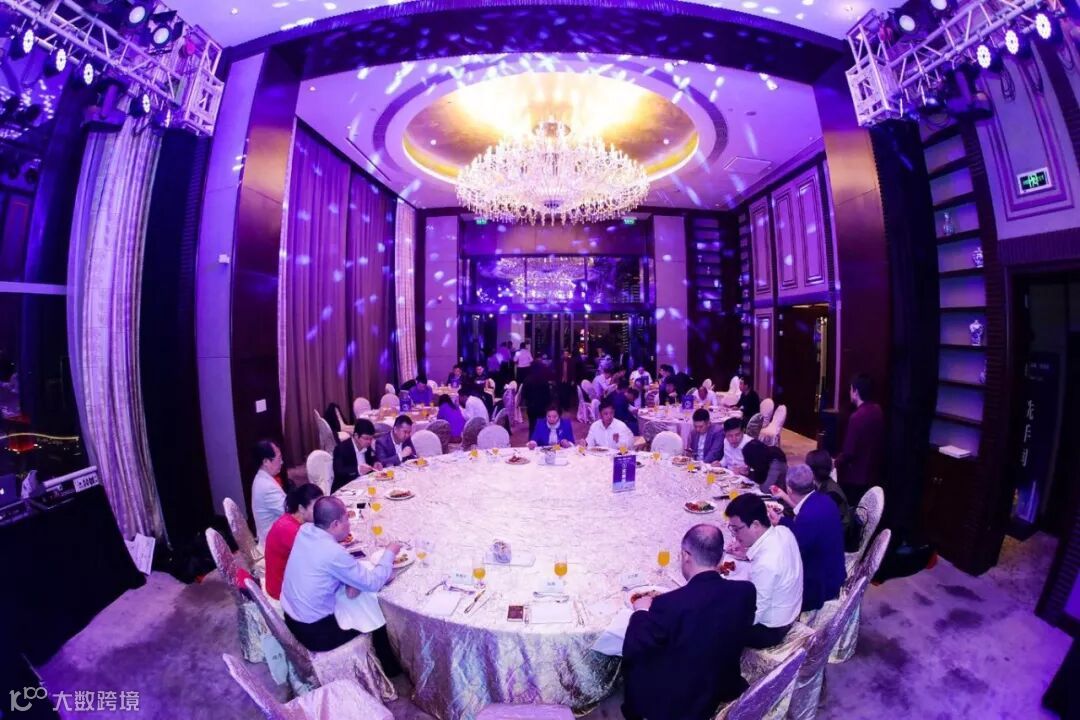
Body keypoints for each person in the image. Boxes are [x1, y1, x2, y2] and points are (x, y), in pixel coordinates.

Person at [622, 525, 756, 720]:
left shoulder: (668, 604)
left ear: (686, 555)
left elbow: (635, 648)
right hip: (722, 681)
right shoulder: (745, 591)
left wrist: (641, 612)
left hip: (683, 701)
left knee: (636, 661)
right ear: (721, 558)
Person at [280, 497, 402, 653]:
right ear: (335, 524)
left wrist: (353, 582)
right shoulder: (332, 552)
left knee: (356, 594)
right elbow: (373, 583)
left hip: (291, 615)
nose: (349, 524)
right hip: (314, 631)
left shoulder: (305, 530)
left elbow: (321, 566)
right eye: (347, 519)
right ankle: (389, 663)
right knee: (372, 612)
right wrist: (390, 552)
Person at [725, 494, 803, 649]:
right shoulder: (783, 531)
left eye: (737, 529)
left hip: (772, 628)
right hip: (792, 608)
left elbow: (754, 615)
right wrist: (746, 553)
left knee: (712, 621)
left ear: (755, 525)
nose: (735, 535)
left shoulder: (766, 563)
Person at [769, 465, 846, 612]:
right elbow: (804, 530)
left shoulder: (808, 518)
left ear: (789, 489)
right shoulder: (824, 499)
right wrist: (780, 521)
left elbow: (793, 552)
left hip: (820, 586)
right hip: (834, 568)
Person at [264, 483, 324, 600]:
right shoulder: (289, 529)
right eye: (316, 508)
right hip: (282, 592)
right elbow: (318, 560)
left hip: (289, 581)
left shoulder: (292, 520)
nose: (321, 511)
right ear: (301, 508)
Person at [834, 373, 884, 506]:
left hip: (854, 477)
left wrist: (835, 462)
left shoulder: (856, 417)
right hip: (873, 473)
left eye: (851, 389)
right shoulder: (878, 410)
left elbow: (849, 452)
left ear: (855, 392)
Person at [805, 448, 854, 543]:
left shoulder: (831, 495)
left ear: (812, 471)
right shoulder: (823, 483)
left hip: (836, 539)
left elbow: (819, 526)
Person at [251, 440, 286, 547]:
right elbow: (291, 513)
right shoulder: (267, 487)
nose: (282, 462)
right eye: (279, 458)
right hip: (273, 543)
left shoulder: (262, 477)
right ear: (266, 461)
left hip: (272, 534)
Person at [332, 419, 382, 492]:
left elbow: (372, 458)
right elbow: (339, 471)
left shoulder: (367, 446)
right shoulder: (341, 448)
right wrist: (358, 470)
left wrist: (376, 462)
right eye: (366, 438)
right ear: (356, 435)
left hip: (365, 484)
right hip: (347, 488)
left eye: (371, 439)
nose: (369, 442)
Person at [522, 360, 554, 436]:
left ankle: (531, 441)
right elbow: (548, 395)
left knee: (532, 426)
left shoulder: (527, 380)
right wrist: (548, 405)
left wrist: (528, 402)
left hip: (531, 407)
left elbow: (524, 394)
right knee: (542, 426)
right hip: (542, 407)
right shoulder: (544, 380)